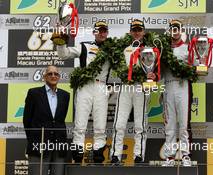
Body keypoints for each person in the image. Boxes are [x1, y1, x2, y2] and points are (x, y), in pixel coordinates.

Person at [52, 21, 110, 163]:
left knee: (100, 124)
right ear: (94, 32)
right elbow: (64, 55)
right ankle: (77, 153)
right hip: (85, 86)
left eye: (104, 31)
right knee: (80, 122)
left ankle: (98, 153)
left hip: (101, 86)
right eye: (99, 30)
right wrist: (61, 40)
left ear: (107, 33)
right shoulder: (84, 45)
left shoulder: (112, 49)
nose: (101, 33)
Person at [110, 19, 156, 165]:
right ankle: (115, 155)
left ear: (143, 32)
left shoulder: (149, 49)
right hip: (125, 86)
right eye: (134, 30)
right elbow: (119, 68)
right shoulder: (124, 48)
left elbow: (155, 70)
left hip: (141, 87)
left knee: (140, 124)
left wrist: (153, 76)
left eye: (139, 29)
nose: (137, 32)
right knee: (119, 123)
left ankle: (139, 156)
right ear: (130, 32)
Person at [23, 65, 70, 175]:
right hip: (38, 145)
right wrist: (34, 140)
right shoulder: (33, 93)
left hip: (59, 146)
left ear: (59, 77)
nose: (53, 76)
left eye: (56, 74)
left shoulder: (65, 95)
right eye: (50, 73)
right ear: (44, 77)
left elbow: (60, 120)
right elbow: (27, 120)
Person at [162, 19, 192, 166]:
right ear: (170, 31)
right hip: (167, 86)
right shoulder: (163, 49)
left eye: (177, 28)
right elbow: (158, 71)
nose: (175, 31)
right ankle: (170, 157)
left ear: (181, 30)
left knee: (184, 123)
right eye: (173, 28)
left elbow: (194, 68)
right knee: (169, 124)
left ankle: (186, 155)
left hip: (183, 86)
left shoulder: (188, 48)